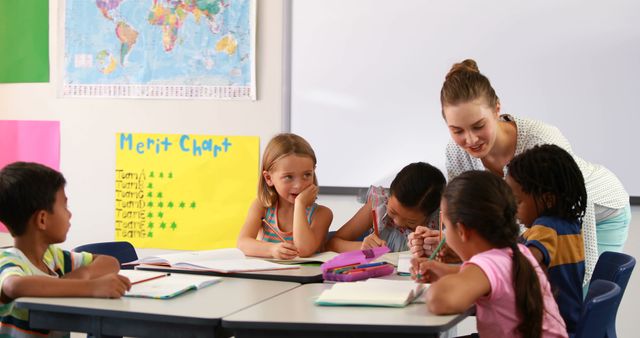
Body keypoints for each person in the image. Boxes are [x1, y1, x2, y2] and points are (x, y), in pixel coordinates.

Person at [437, 58, 630, 284]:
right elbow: (469, 217)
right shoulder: (455, 152)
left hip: (596, 213)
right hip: (540, 229)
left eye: (479, 126)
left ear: (497, 109)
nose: (470, 140)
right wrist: (448, 241)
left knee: (568, 299)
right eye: (457, 130)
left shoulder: (542, 141)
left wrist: (579, 289)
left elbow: (579, 215)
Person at [412, 171, 567, 338]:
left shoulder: (488, 263)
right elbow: (491, 279)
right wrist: (442, 271)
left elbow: (439, 301)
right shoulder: (518, 252)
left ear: (462, 231)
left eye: (446, 227)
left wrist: (440, 285)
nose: (445, 234)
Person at [0, 162, 131, 337]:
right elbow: (14, 286)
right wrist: (92, 287)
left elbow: (110, 262)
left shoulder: (53, 258)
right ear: (42, 220)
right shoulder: (9, 260)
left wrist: (82, 275)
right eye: (64, 206)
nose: (69, 214)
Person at [505, 144, 586, 333]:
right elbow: (511, 247)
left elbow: (526, 260)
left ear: (548, 200)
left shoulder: (546, 227)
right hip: (567, 325)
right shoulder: (569, 225)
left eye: (517, 202)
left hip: (545, 329)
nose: (513, 209)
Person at [237, 133, 333, 259]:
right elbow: (243, 243)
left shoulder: (322, 214)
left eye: (307, 175)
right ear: (268, 178)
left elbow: (304, 250)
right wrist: (272, 250)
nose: (299, 185)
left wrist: (300, 204)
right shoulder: (262, 206)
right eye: (288, 177)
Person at [327, 162, 445, 253]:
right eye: (393, 212)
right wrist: (362, 247)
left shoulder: (441, 219)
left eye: (411, 222)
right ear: (390, 195)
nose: (398, 222)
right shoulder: (377, 206)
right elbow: (332, 243)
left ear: (431, 213)